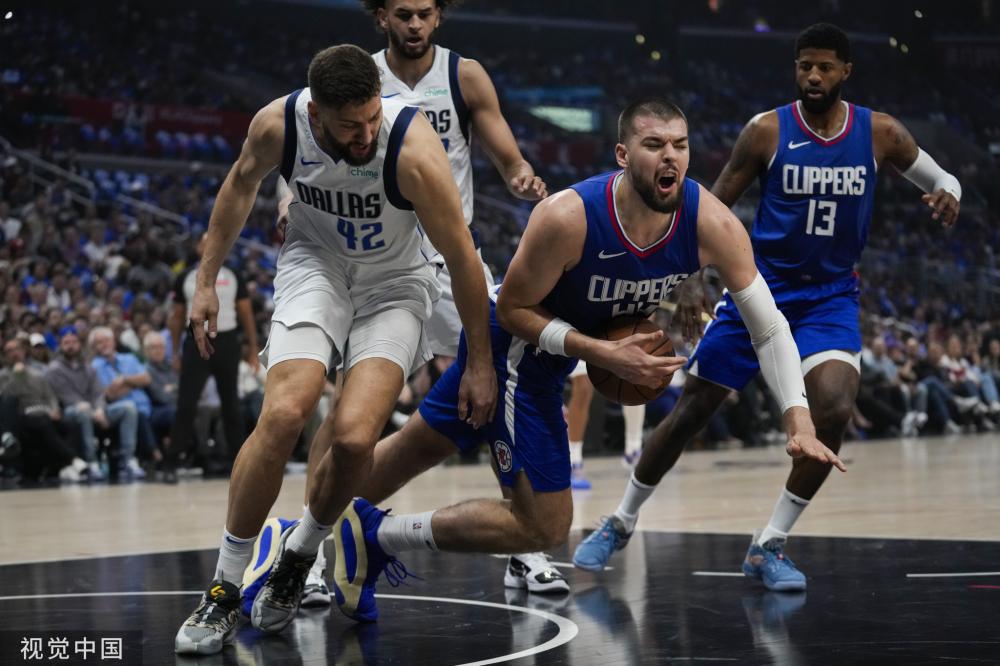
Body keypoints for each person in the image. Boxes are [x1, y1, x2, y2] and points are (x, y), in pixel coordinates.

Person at [252, 98, 843, 631]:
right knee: (545, 525)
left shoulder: (712, 223)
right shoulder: (569, 216)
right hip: (514, 353)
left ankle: (293, 537)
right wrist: (601, 352)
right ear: (623, 155)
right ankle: (376, 536)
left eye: (681, 146)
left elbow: (769, 326)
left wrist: (799, 420)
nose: (671, 157)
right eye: (654, 144)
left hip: (545, 359)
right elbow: (511, 308)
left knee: (408, 452)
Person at [572, 24, 961, 590]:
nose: (813, 76)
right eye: (804, 66)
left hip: (830, 297)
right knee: (691, 411)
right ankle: (621, 519)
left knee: (834, 409)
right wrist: (692, 283)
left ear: (846, 71)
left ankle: (770, 543)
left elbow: (941, 175)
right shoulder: (766, 131)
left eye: (824, 67)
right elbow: (711, 207)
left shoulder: (880, 132)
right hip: (760, 286)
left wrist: (949, 191)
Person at [173, 44, 494, 655]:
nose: (366, 134)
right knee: (284, 413)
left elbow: (461, 257)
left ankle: (299, 554)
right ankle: (222, 589)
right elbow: (238, 187)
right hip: (315, 265)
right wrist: (206, 282)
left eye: (373, 117)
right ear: (316, 114)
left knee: (352, 439)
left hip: (396, 282)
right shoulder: (278, 125)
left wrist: (478, 359)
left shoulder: (412, 148)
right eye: (351, 126)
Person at [276, 0, 550, 602]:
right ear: (381, 17)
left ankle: (522, 543)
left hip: (450, 255)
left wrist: (519, 175)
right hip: (379, 259)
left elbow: (507, 153)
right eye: (403, 13)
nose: (415, 24)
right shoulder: (355, 79)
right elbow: (300, 153)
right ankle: (308, 551)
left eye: (425, 12)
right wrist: (286, 202)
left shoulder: (463, 75)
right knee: (348, 412)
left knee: (499, 380)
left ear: (440, 15)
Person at [162, 234, 257, 484]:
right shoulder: (185, 277)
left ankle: (240, 463)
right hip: (195, 340)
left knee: (231, 404)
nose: (210, 244)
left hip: (227, 341)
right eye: (204, 241)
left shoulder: (234, 274)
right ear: (197, 247)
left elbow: (246, 313)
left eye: (214, 239)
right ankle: (171, 461)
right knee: (186, 404)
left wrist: (252, 348)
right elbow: (177, 316)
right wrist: (175, 352)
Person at [45, 329, 139, 480]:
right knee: (83, 412)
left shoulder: (88, 367)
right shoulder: (54, 369)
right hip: (69, 412)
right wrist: (87, 407)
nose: (71, 346)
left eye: (74, 342)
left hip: (94, 410)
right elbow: (65, 396)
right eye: (66, 343)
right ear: (60, 346)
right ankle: (92, 462)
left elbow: (98, 393)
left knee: (128, 407)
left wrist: (100, 409)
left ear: (79, 345)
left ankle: (128, 460)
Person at [89, 326, 151, 480]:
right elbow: (108, 395)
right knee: (132, 411)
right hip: (116, 410)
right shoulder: (93, 367)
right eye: (100, 342)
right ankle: (130, 460)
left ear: (114, 342)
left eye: (107, 340)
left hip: (145, 407)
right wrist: (134, 383)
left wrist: (124, 380)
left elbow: (146, 379)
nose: (105, 344)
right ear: (94, 347)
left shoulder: (129, 358)